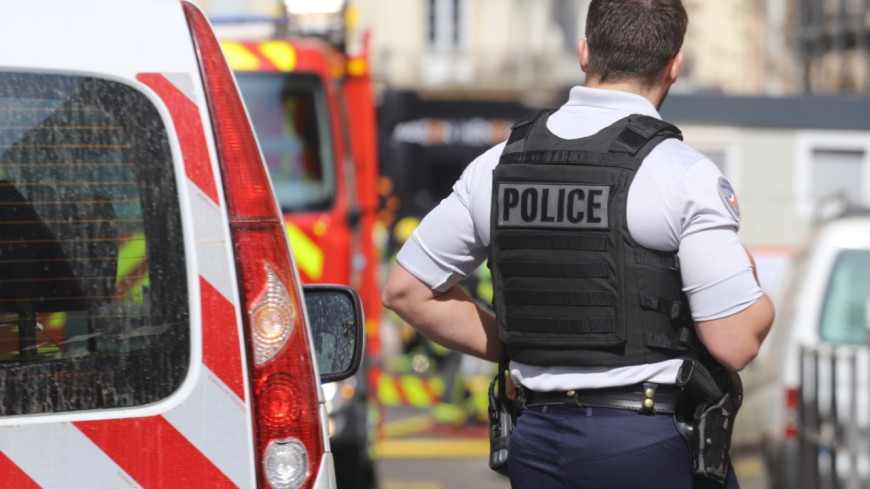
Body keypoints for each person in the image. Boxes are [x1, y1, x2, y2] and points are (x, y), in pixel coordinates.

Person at [381, 0, 775, 487]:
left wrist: (523, 344)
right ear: (674, 65)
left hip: (535, 443)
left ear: (584, 52)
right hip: (644, 443)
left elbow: (405, 290)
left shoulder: (497, 165)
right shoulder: (682, 175)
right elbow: (735, 341)